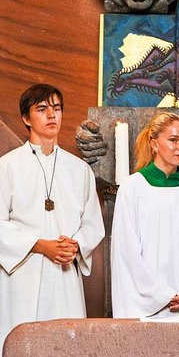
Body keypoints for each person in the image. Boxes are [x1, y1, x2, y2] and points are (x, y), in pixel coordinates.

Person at [0, 84, 105, 345]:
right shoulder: (8, 166)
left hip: (63, 273)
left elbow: (93, 224)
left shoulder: (79, 169)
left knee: (65, 344)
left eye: (57, 109)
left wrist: (76, 244)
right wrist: (40, 245)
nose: (52, 116)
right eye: (43, 109)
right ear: (26, 118)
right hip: (22, 273)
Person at [110, 112, 179, 318]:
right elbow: (127, 253)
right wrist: (162, 295)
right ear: (154, 144)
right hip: (148, 304)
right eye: (173, 140)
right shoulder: (132, 188)